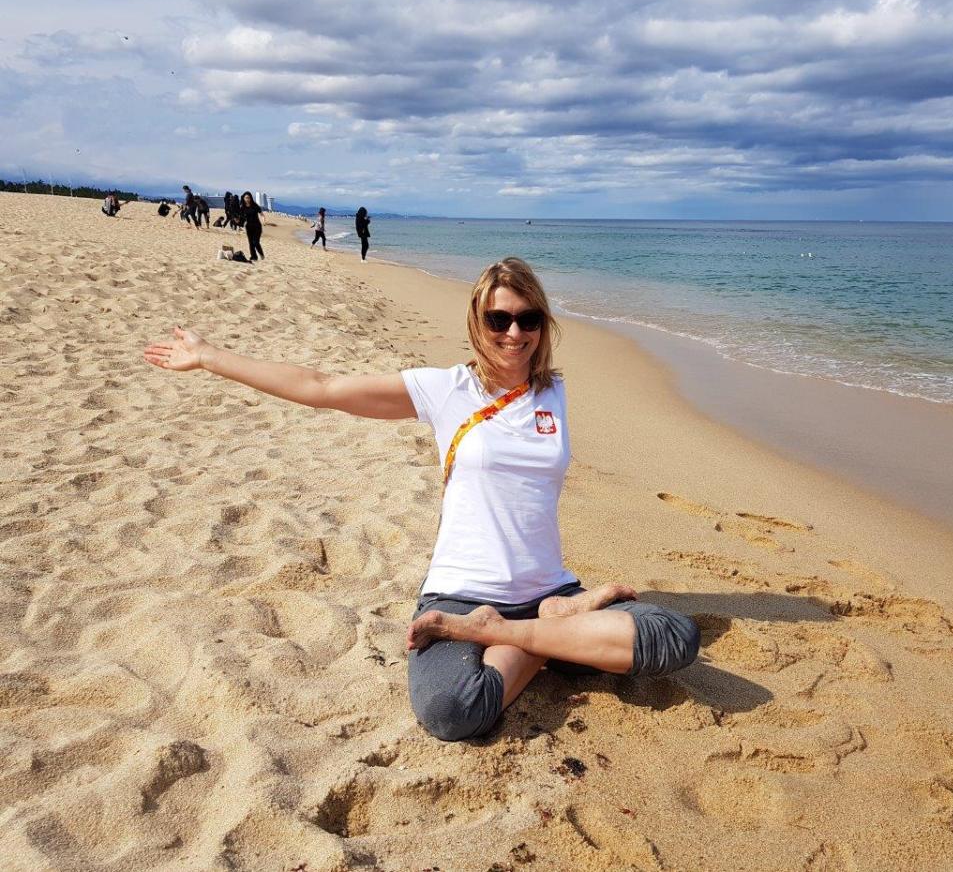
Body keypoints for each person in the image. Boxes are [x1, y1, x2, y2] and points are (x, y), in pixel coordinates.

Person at [142, 257, 700, 742]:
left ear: (543, 324)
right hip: (460, 595)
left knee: (674, 639)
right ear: (477, 322)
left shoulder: (554, 392)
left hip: (549, 588)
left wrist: (521, 621)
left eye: (528, 319)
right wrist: (211, 357)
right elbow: (322, 386)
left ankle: (514, 632)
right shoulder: (447, 390)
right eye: (498, 319)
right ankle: (549, 639)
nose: (514, 333)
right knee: (449, 710)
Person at [240, 191, 265, 261]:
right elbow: (241, 218)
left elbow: (262, 214)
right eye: (246, 198)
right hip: (248, 227)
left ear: (251, 198)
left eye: (249, 198)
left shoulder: (255, 206)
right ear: (243, 198)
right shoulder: (242, 207)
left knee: (255, 242)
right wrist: (241, 224)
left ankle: (261, 254)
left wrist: (264, 221)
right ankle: (254, 257)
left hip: (257, 226)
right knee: (250, 243)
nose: (247, 199)